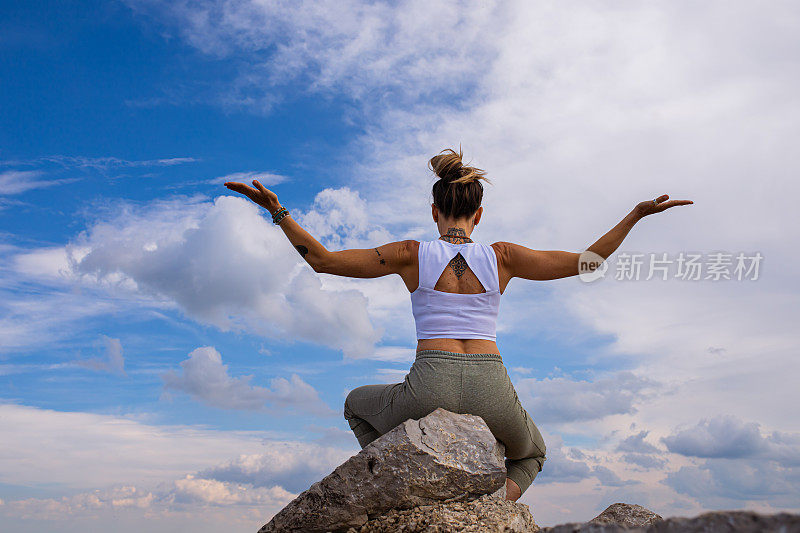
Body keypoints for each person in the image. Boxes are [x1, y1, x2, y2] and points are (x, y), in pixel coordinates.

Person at [223, 147, 693, 502]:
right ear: (479, 214)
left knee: (354, 404)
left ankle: (396, 484)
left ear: (434, 211)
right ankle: (486, 512)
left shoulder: (410, 254)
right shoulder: (503, 257)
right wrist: (636, 214)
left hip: (430, 383)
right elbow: (588, 263)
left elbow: (323, 262)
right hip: (493, 382)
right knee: (532, 454)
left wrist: (277, 212)